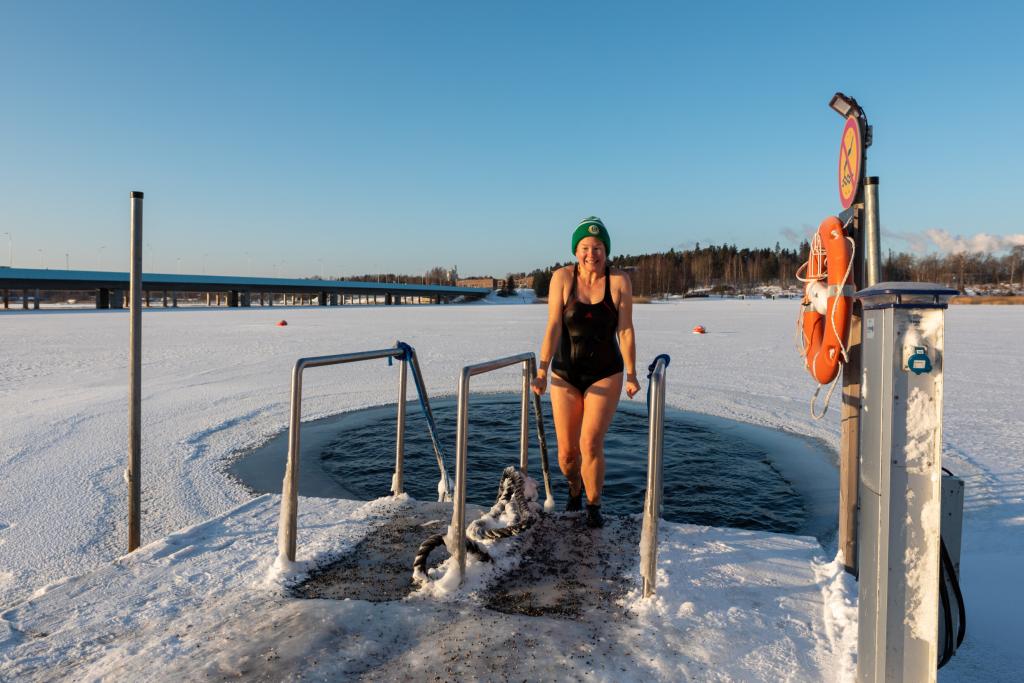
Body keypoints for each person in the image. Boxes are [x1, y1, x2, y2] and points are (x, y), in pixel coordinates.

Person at [531, 216, 639, 528]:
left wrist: (631, 373)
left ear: (607, 250)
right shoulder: (562, 278)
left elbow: (626, 330)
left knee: (590, 444)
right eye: (585, 247)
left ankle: (593, 505)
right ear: (576, 251)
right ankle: (575, 488)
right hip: (565, 372)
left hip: (606, 371)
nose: (592, 253)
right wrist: (541, 369)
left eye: (598, 247)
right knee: (567, 454)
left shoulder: (619, 282)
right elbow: (553, 325)